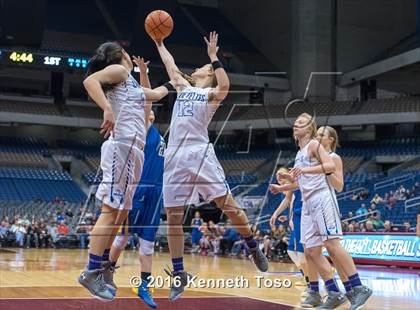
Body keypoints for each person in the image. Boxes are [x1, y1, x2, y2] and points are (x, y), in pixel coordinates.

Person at [153, 31, 268, 301]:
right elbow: (170, 63)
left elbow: (226, 87)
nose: (197, 68)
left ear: (209, 73)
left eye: (203, 67)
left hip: (199, 154)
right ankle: (179, 273)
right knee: (172, 216)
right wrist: (160, 43)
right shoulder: (183, 88)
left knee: (229, 208)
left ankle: (252, 246)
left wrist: (214, 57)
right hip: (175, 156)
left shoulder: (209, 94)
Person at [78, 41, 171, 301]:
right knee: (111, 211)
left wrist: (177, 82)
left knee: (120, 213)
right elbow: (90, 82)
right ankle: (91, 270)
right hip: (122, 147)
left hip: (134, 151)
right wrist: (107, 108)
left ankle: (105, 268)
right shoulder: (119, 71)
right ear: (119, 55)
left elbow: (156, 95)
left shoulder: (130, 82)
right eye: (125, 50)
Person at [271, 115, 372, 309]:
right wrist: (283, 186)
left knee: (332, 246)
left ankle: (358, 287)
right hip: (309, 202)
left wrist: (308, 172)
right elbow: (301, 182)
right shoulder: (301, 153)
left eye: (299, 125)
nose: (295, 127)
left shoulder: (321, 151)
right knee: (310, 250)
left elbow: (333, 174)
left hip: (322, 198)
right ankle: (332, 291)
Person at [270, 167, 310, 298]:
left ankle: (310, 280)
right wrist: (282, 215)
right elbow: (289, 202)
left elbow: (291, 201)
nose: (278, 177)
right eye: (276, 175)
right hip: (294, 220)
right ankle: (307, 276)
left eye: (280, 174)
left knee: (299, 252)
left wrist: (290, 217)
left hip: (300, 219)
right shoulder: (288, 189)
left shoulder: (292, 185)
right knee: (293, 252)